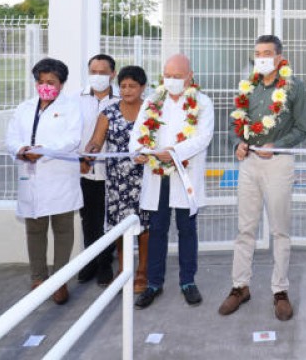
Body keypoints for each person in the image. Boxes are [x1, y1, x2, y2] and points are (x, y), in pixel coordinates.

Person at [219, 35, 306, 321]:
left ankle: (280, 291)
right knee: (245, 228)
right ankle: (239, 286)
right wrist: (238, 143)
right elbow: (236, 123)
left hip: (279, 164)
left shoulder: (294, 87)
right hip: (249, 163)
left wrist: (278, 145)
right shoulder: (248, 87)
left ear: (280, 58)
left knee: (280, 230)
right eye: (257, 53)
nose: (261, 58)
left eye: (267, 53)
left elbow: (303, 128)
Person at [129, 54, 214, 310]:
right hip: (157, 175)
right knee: (156, 230)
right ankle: (154, 283)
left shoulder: (202, 102)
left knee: (187, 230)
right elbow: (138, 134)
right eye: (168, 75)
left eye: (178, 76)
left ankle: (188, 281)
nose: (172, 80)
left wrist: (175, 152)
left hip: (184, 173)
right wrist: (139, 152)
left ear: (190, 76)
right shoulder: (153, 100)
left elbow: (203, 137)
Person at [6, 57, 83, 305]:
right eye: (40, 81)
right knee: (35, 230)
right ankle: (38, 279)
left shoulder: (72, 107)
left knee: (63, 229)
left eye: (51, 81)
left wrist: (45, 150)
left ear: (62, 83)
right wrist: (22, 148)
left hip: (59, 175)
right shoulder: (24, 107)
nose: (45, 85)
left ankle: (59, 281)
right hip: (31, 175)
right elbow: (11, 136)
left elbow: (72, 140)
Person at [84, 65, 149, 292]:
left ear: (143, 87)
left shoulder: (151, 112)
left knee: (145, 226)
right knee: (120, 227)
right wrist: (89, 152)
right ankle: (123, 269)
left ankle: (142, 271)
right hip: (117, 182)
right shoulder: (108, 113)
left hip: (146, 179)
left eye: (133, 86)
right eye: (123, 86)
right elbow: (96, 141)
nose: (127, 90)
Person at [77, 53, 118, 286]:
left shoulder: (121, 99)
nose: (98, 76)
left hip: (112, 171)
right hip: (84, 169)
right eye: (94, 71)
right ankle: (90, 261)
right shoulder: (77, 99)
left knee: (108, 219)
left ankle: (105, 263)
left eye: (103, 72)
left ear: (113, 73)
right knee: (88, 218)